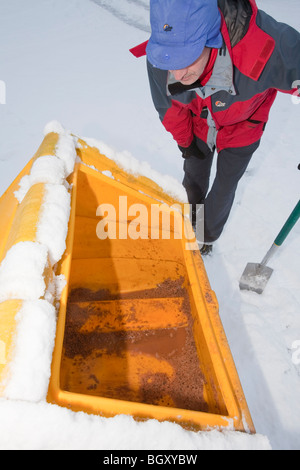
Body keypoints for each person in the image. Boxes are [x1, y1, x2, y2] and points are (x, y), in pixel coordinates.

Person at [130, 0, 300, 255]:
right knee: (193, 178)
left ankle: (205, 238)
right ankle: (190, 227)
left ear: (210, 38)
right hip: (199, 122)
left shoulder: (265, 43)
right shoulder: (163, 54)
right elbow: (169, 109)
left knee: (224, 186)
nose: (177, 73)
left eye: (186, 59)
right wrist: (186, 143)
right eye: (171, 62)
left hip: (244, 124)